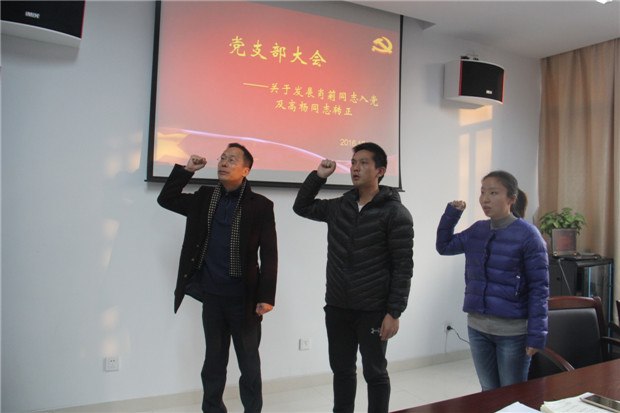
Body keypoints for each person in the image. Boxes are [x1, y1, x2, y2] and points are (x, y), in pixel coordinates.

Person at [293, 142, 413, 413]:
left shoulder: (395, 213)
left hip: (373, 309)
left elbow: (403, 267)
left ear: (380, 170)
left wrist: (394, 312)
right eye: (354, 163)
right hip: (338, 306)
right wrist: (318, 177)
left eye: (364, 163)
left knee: (375, 372)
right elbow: (301, 206)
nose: (356, 168)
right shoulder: (340, 206)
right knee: (342, 370)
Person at [157, 143, 278, 413]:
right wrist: (187, 170)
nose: (223, 163)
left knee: (249, 365)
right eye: (222, 158)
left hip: (245, 300)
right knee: (213, 363)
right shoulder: (205, 197)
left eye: (232, 160)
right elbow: (166, 199)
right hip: (212, 297)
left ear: (245, 170)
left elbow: (269, 253)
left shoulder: (260, 205)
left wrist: (266, 296)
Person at [435, 170, 549, 391]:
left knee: (511, 394)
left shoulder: (528, 235)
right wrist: (451, 215)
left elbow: (539, 289)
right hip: (477, 328)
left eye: (493, 193)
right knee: (488, 392)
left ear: (511, 199)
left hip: (512, 332)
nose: (485, 199)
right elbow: (444, 246)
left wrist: (537, 335)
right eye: (483, 192)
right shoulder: (478, 230)